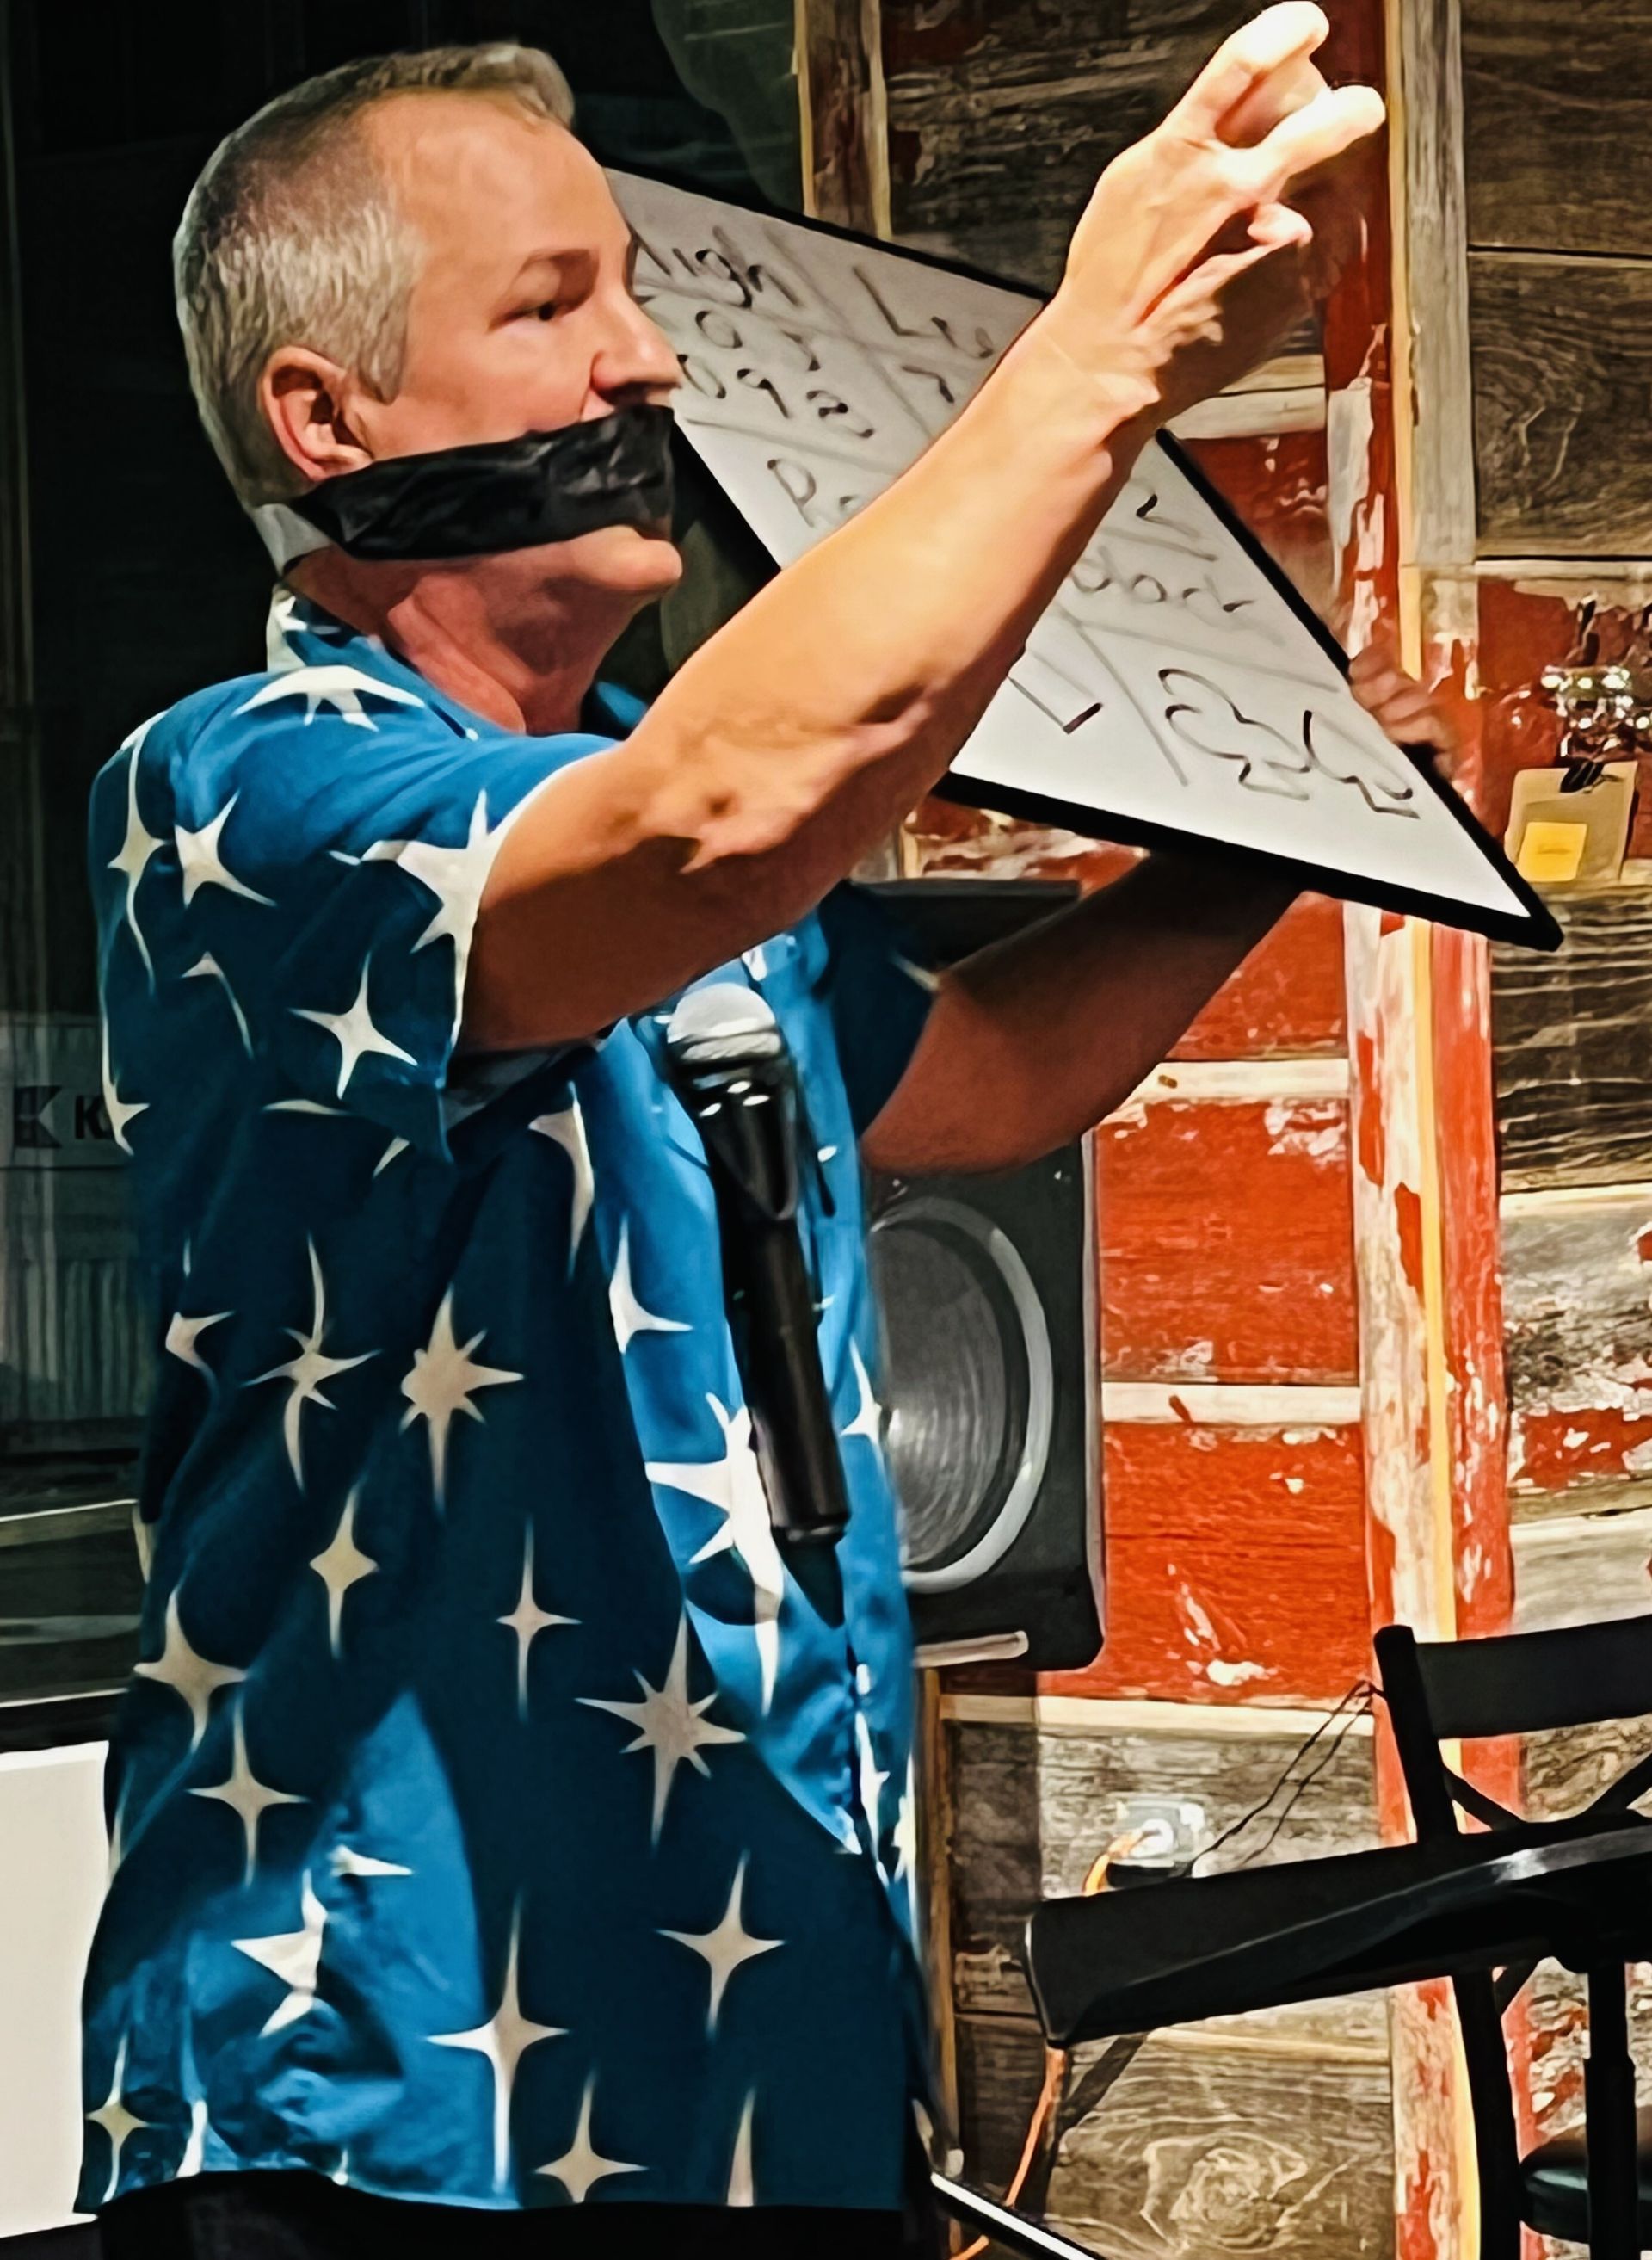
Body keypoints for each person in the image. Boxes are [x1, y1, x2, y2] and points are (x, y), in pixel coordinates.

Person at [82, 18, 1446, 2257]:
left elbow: (989, 1082)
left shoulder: (673, 818)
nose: (651, 364)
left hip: (751, 2066)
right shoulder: (249, 790)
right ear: (326, 426)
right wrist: (1097, 354)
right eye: (552, 307)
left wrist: (1266, 854)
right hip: (395, 2110)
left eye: (636, 292)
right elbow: (719, 815)